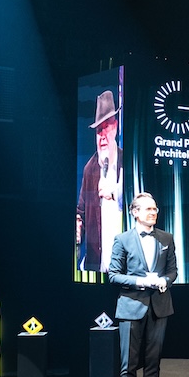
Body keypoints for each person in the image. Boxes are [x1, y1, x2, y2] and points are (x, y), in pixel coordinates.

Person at [107, 192, 177, 377]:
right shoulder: (122, 239)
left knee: (153, 362)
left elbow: (173, 270)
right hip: (131, 307)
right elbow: (113, 275)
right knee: (129, 364)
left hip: (159, 306)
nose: (153, 213)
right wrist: (141, 282)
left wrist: (165, 281)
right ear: (135, 212)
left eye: (155, 209)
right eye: (148, 209)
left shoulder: (166, 238)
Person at [76, 90, 124, 272]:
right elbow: (81, 211)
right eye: (98, 130)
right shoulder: (89, 169)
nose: (102, 136)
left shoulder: (127, 162)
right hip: (98, 264)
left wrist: (114, 193)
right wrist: (78, 224)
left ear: (116, 127)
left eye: (106, 127)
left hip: (126, 266)